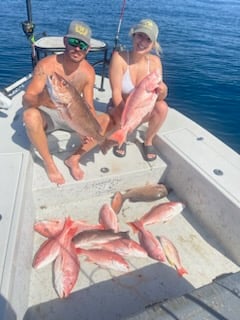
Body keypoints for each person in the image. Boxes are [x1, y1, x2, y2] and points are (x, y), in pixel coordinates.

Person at [22, 20, 110, 185]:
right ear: (65, 41)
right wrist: (44, 97)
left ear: (88, 49)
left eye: (82, 45)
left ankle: (74, 159)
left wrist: (86, 129)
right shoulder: (47, 66)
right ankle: (50, 164)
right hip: (49, 115)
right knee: (29, 116)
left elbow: (89, 105)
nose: (77, 48)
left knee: (105, 120)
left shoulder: (88, 71)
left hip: (73, 114)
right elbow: (27, 100)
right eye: (73, 42)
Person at [107, 19, 168, 160]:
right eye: (140, 36)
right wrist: (127, 118)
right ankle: (122, 135)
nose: (142, 42)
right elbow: (116, 92)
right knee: (120, 122)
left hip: (141, 110)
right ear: (133, 36)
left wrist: (163, 91)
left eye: (148, 39)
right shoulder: (119, 58)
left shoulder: (155, 62)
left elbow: (157, 98)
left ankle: (148, 141)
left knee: (162, 107)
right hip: (119, 108)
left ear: (153, 44)